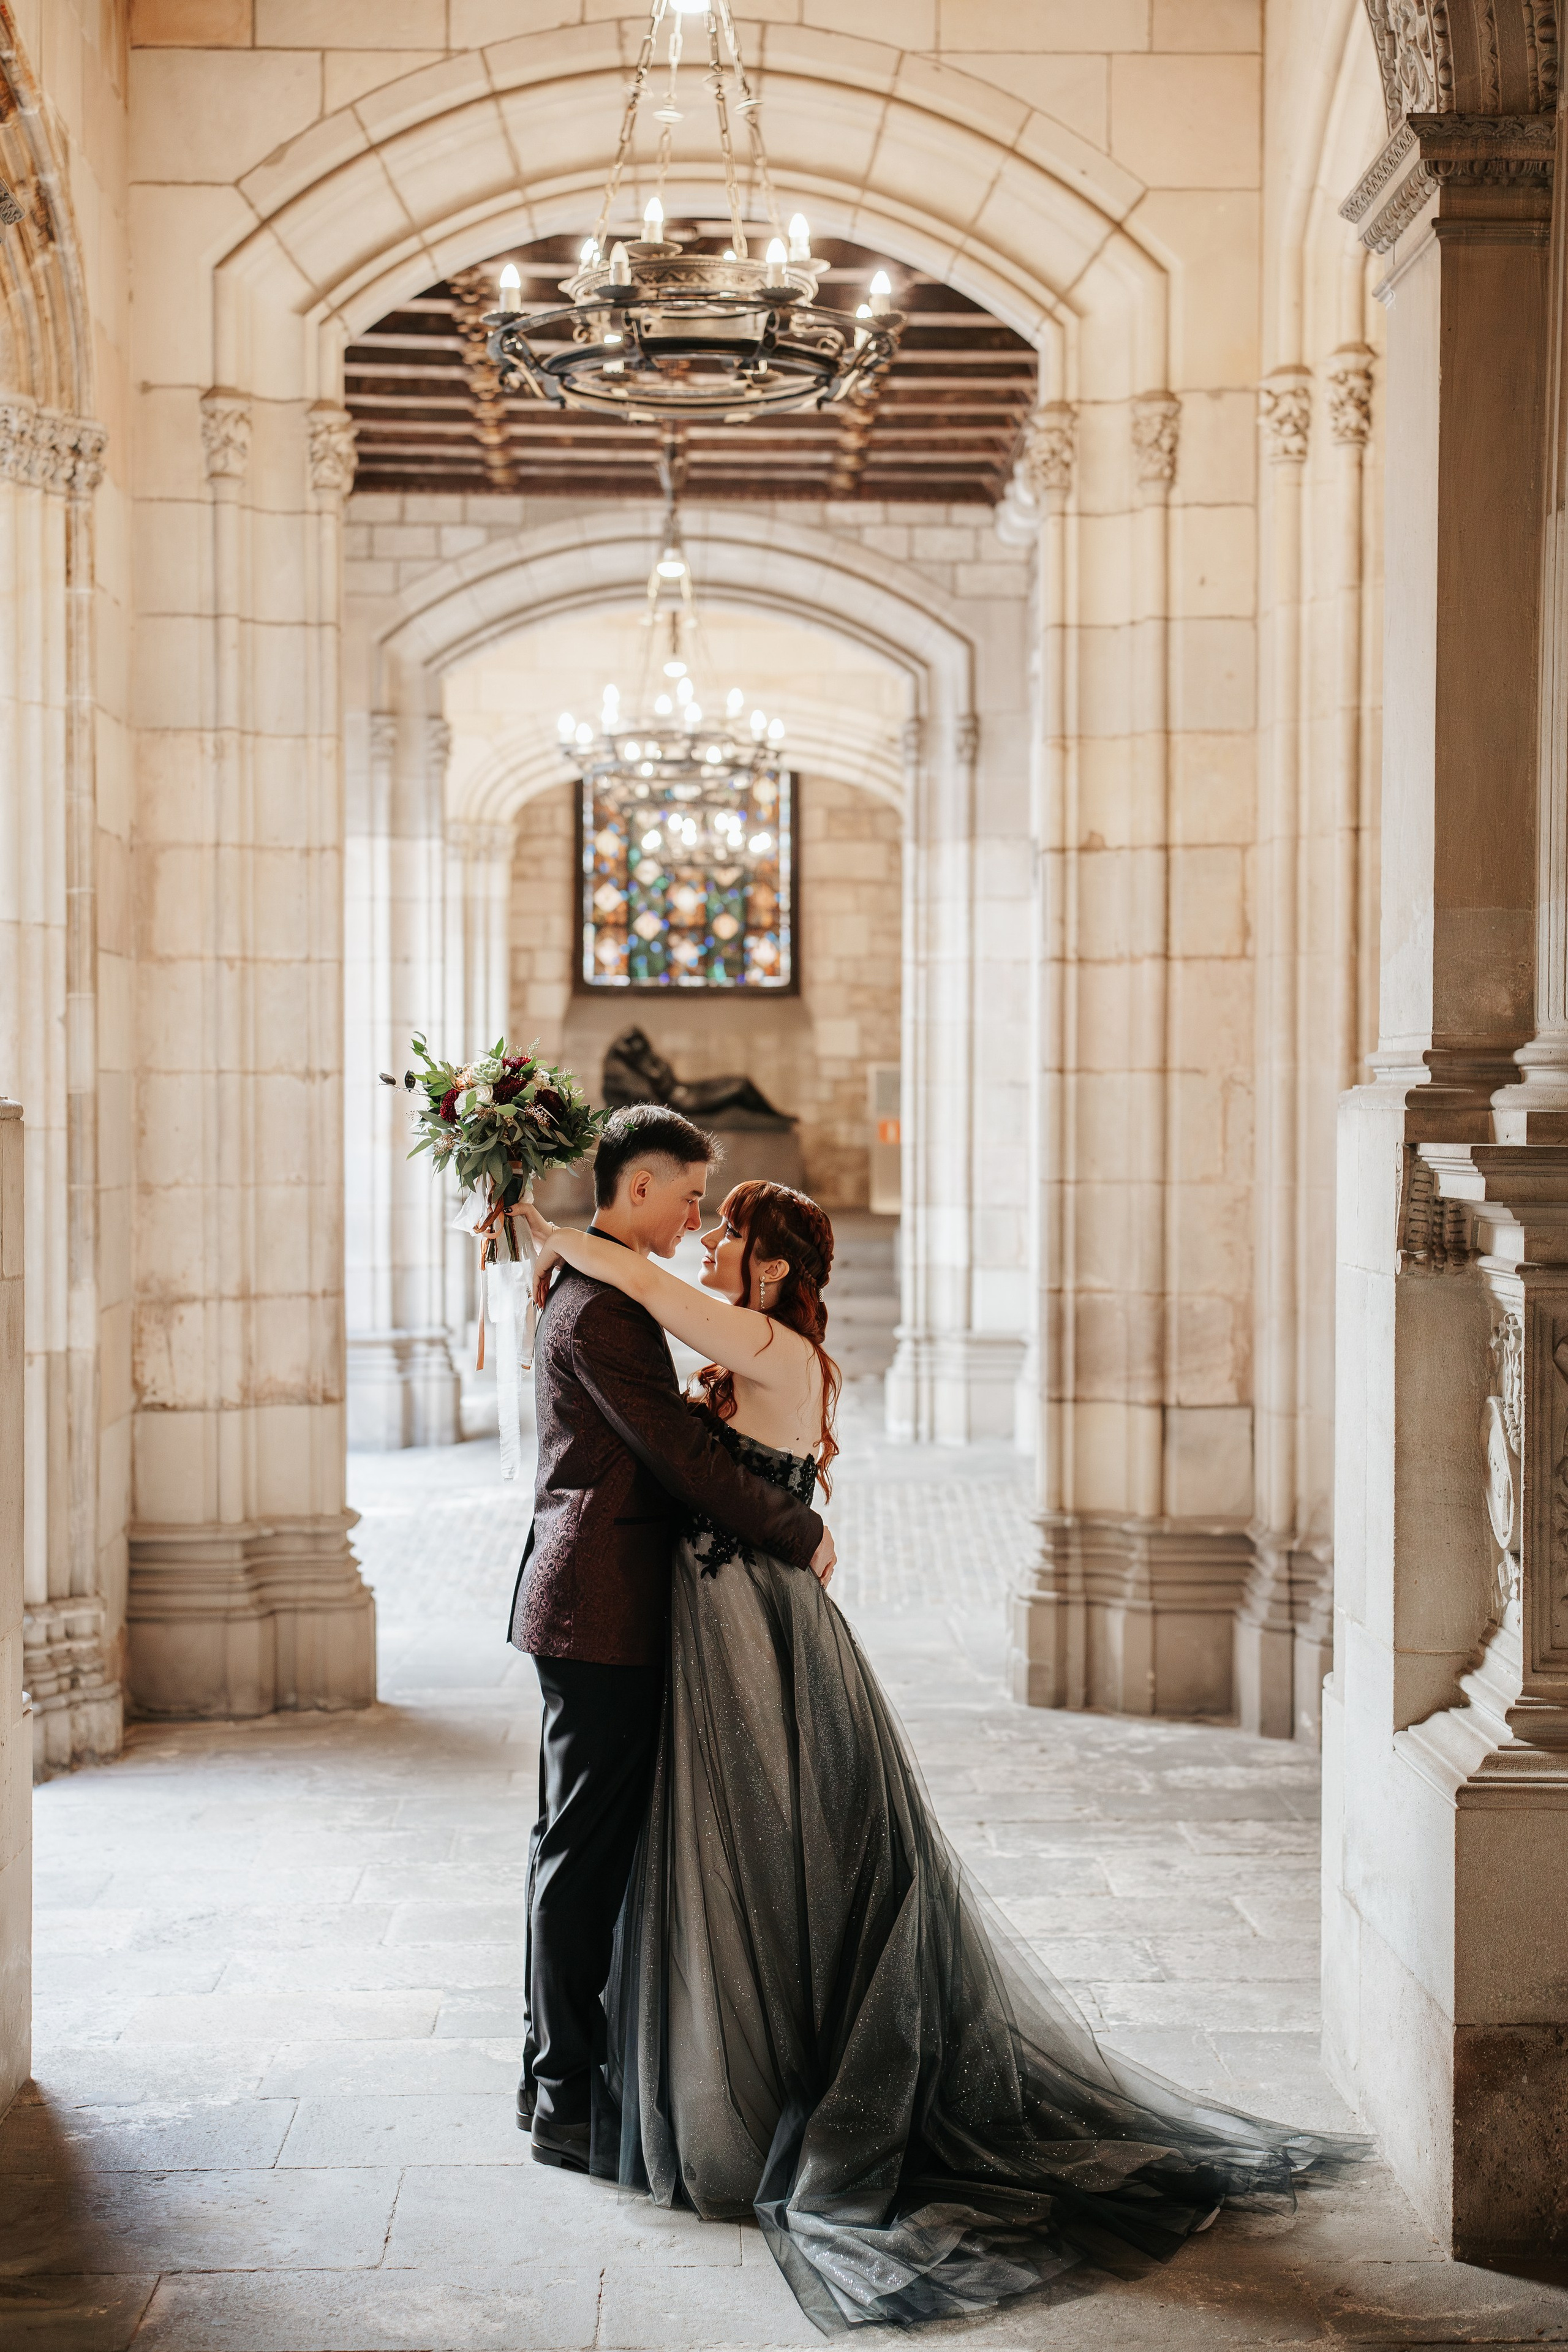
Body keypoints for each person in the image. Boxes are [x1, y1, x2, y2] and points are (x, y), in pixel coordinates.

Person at [520, 1176, 1374, 2335]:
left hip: (758, 1630)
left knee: (786, 1858)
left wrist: (551, 1228)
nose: (712, 1240)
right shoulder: (749, 1340)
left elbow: (641, 1286)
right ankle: (735, 2068)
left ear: (773, 1271)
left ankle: (771, 2082)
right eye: (705, 1217)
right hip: (718, 1628)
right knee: (745, 1855)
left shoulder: (772, 1346)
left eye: (731, 1232)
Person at [508, 1107, 834, 2177]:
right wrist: (799, 1526)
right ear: (638, 1187)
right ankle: (562, 2094)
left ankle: (566, 2071)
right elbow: (675, 1457)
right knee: (581, 1853)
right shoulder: (603, 1307)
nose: (699, 1219)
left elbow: (680, 1432)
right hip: (599, 1607)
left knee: (580, 1843)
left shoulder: (593, 1288)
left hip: (600, 1600)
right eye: (690, 1196)